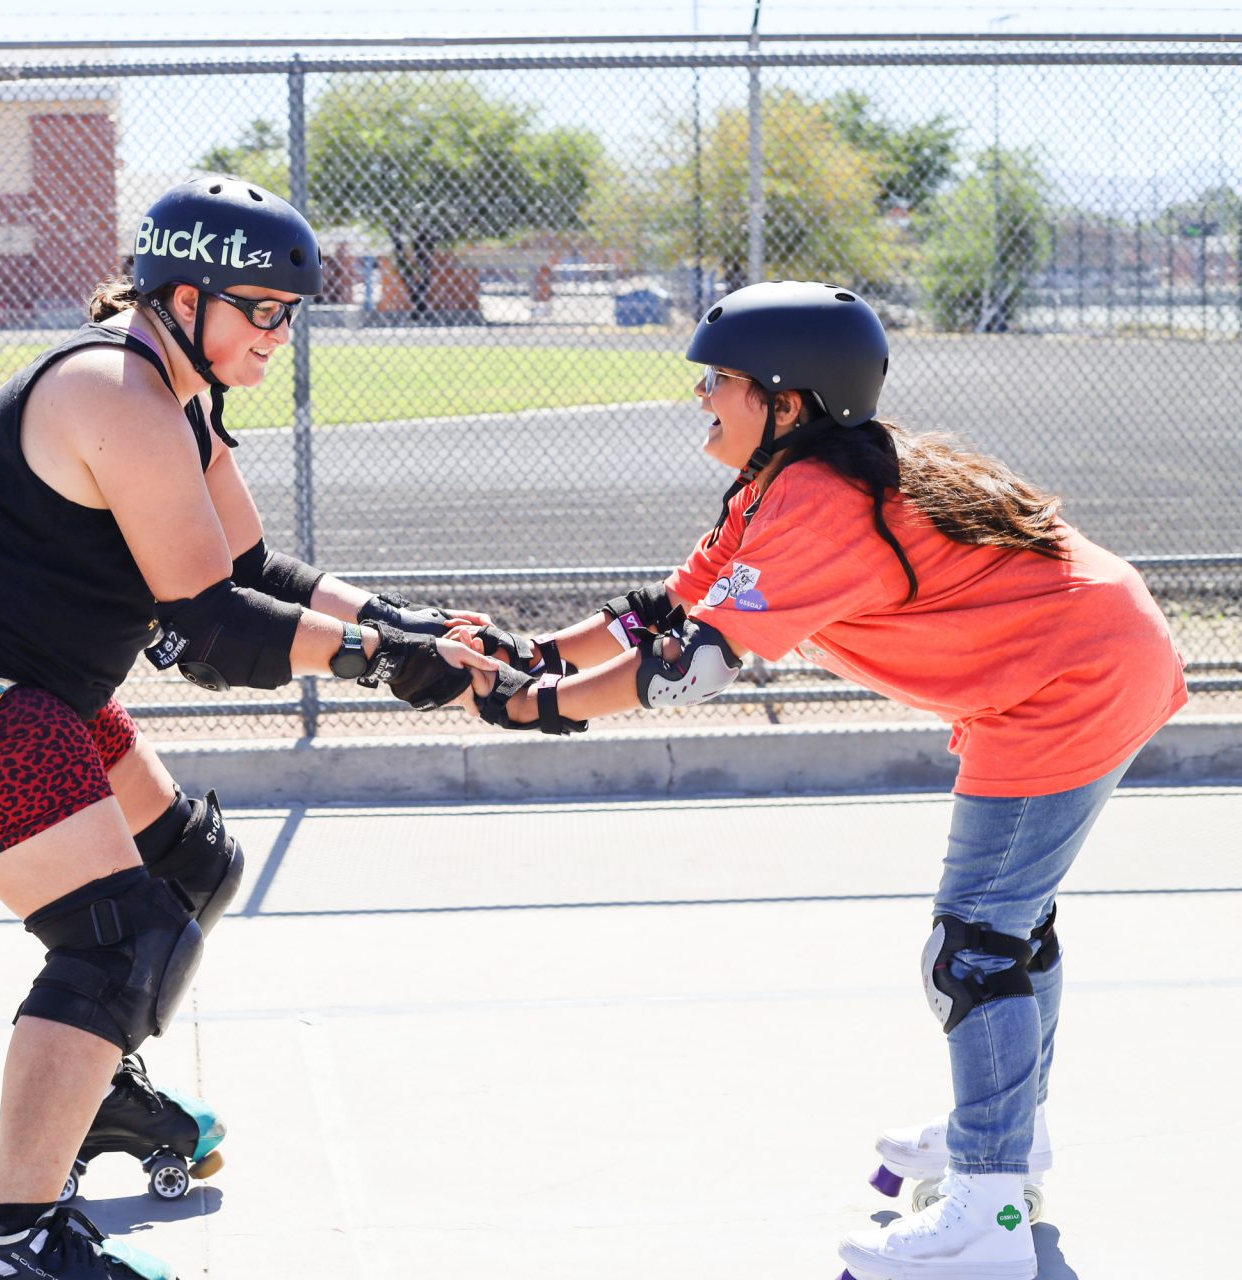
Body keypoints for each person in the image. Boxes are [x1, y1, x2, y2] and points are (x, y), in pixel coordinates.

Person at [459, 280, 1185, 1280]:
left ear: (787, 401)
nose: (702, 393)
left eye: (720, 378)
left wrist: (529, 708)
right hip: (1087, 655)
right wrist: (532, 654)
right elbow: (664, 616)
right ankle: (1006, 1141)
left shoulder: (817, 498)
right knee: (1006, 928)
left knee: (973, 946)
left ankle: (989, 1206)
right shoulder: (780, 483)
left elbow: (687, 669)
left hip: (1070, 681)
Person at [0, 175, 495, 1280]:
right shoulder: (114, 390)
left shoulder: (179, 390)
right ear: (183, 293)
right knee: (121, 940)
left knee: (190, 867)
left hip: (36, 689)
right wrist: (380, 659)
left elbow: (250, 570)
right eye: (262, 309)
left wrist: (399, 622)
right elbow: (212, 626)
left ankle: (90, 1096)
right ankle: (15, 1244)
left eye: (291, 313)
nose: (279, 333)